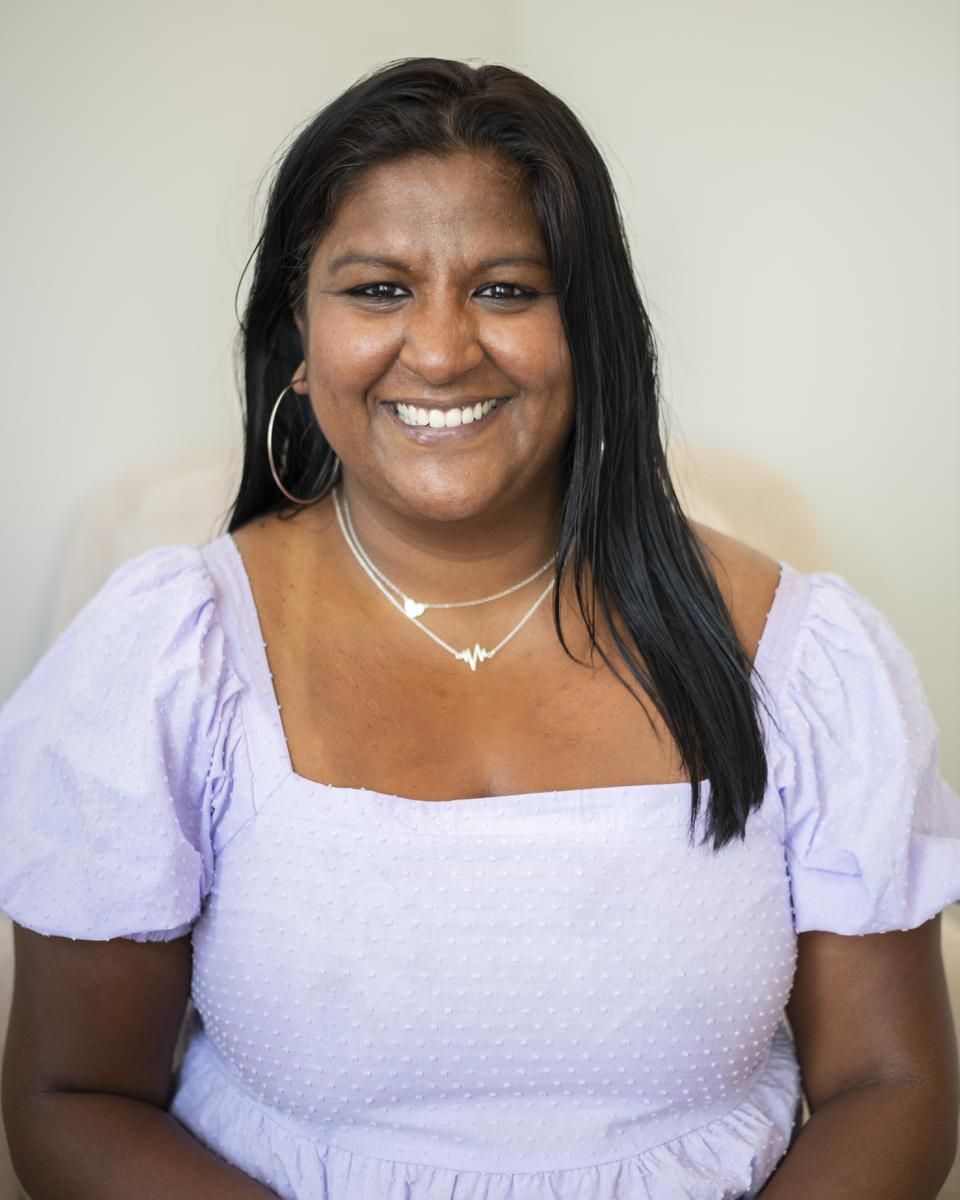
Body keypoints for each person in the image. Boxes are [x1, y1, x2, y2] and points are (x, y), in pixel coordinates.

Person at [1, 55, 958, 1200]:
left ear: (592, 333)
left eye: (507, 289)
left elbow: (891, 1086)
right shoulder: (172, 655)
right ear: (298, 346)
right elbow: (74, 1096)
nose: (444, 350)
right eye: (377, 290)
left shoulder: (797, 658)